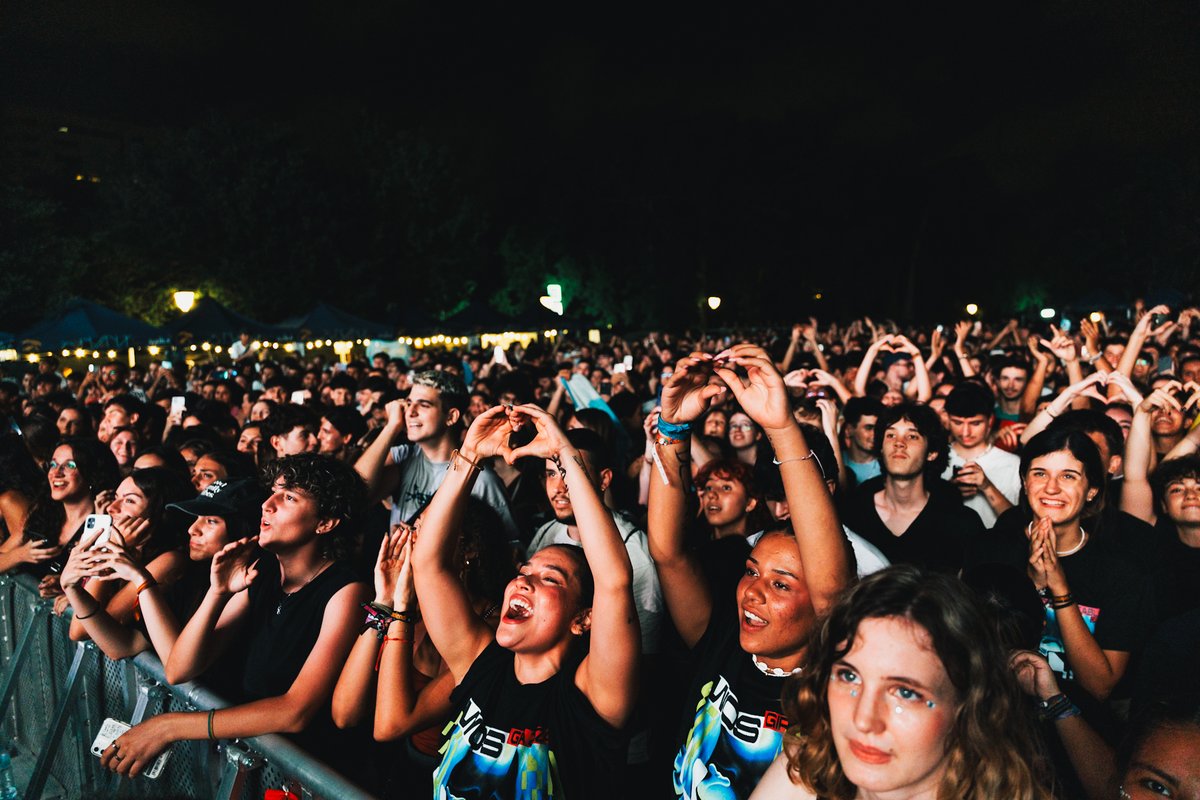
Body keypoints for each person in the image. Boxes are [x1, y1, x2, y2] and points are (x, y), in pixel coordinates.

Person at [648, 345, 850, 799]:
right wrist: (672, 427)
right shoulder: (721, 638)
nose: (753, 593)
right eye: (752, 572)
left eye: (780, 583)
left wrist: (780, 427)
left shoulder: (833, 679)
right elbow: (668, 553)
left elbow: (833, 589)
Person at [410, 402, 639, 799]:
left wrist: (565, 456)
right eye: (523, 573)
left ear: (584, 618)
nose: (523, 583)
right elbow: (428, 564)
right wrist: (469, 457)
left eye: (550, 578)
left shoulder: (591, 696)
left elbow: (614, 581)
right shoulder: (479, 664)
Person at [100, 454, 370, 778]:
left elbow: (295, 710)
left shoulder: (347, 591)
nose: (267, 505)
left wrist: (169, 727)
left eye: (288, 497)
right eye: (272, 492)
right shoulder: (261, 572)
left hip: (310, 775)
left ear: (326, 522)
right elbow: (179, 668)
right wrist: (218, 593)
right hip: (258, 765)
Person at [752, 566, 1052, 800]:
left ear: (966, 706)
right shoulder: (807, 768)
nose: (864, 719)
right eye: (848, 676)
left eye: (905, 693)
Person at [65, 478, 264, 666]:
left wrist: (140, 578)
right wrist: (73, 590)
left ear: (243, 530)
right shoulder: (193, 576)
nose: (193, 529)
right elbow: (125, 645)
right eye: (196, 517)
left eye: (211, 521)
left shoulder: (249, 585)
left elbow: (176, 668)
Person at [354, 369, 518, 540]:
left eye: (423, 405)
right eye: (409, 403)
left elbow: (509, 545)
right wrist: (391, 428)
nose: (410, 412)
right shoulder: (403, 457)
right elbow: (354, 497)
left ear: (451, 416)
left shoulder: (480, 479)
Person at [839, 403, 985, 574]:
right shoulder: (854, 513)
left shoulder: (961, 522)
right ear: (881, 447)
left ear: (932, 453)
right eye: (891, 435)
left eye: (912, 436)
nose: (899, 443)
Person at [941, 382, 1021, 527]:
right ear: (948, 419)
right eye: (958, 423)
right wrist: (949, 492)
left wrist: (987, 486)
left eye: (975, 423)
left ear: (990, 420)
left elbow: (1017, 525)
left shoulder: (1013, 464)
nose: (965, 432)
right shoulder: (933, 458)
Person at [842, 397, 883, 487]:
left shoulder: (885, 465)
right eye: (869, 428)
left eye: (878, 429)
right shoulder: (837, 460)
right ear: (849, 430)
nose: (875, 434)